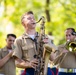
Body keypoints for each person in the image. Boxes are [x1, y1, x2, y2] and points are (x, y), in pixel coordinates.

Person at [12, 11, 57, 75]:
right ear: (23, 23)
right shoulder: (18, 40)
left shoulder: (45, 37)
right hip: (30, 71)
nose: (32, 19)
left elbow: (53, 58)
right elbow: (17, 63)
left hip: (46, 70)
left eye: (33, 18)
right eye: (29, 18)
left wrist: (48, 44)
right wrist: (29, 64)